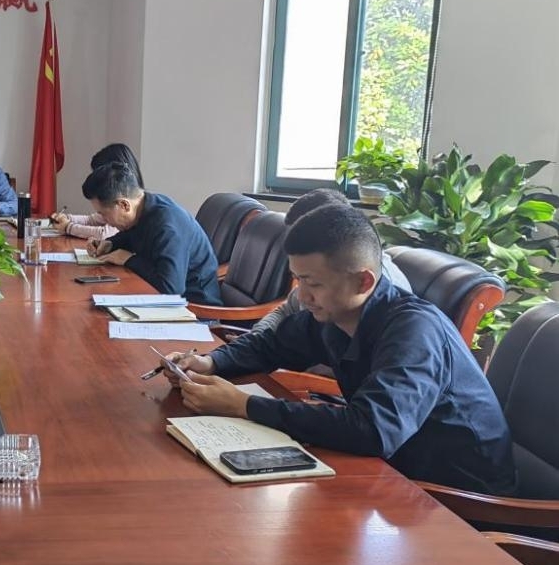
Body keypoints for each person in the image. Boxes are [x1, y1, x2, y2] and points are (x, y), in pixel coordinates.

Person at [164, 204, 516, 495]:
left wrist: (244, 405)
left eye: (313, 283)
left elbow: (374, 430)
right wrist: (210, 362)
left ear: (363, 281)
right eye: (298, 279)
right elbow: (271, 344)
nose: (302, 296)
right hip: (391, 472)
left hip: (455, 500)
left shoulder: (414, 331)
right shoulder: (335, 313)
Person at [251, 188, 411, 334]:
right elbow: (285, 311)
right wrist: (257, 336)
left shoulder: (382, 298)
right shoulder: (318, 286)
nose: (302, 297)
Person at [81, 162, 221, 305]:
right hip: (158, 298)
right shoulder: (143, 207)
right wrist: (110, 244)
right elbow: (132, 235)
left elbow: (170, 288)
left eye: (103, 214)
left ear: (124, 205)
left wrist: (128, 259)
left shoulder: (167, 226)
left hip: (194, 307)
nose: (104, 220)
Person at [49, 143, 144, 239]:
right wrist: (67, 218)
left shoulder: (127, 207)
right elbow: (92, 220)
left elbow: (104, 234)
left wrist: (68, 227)